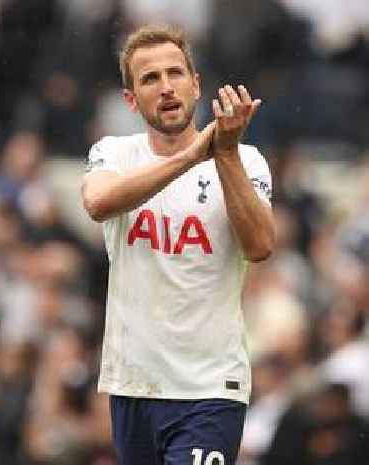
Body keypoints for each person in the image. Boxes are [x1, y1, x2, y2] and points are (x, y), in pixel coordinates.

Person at [81, 24, 276, 465]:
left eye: (176, 73)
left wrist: (223, 154)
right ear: (131, 99)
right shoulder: (114, 153)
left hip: (209, 389)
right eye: (150, 79)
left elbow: (260, 244)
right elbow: (97, 203)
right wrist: (191, 155)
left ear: (196, 84)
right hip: (134, 384)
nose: (166, 87)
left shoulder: (246, 160)